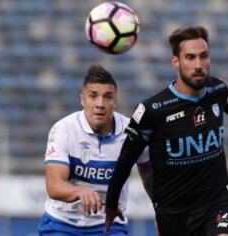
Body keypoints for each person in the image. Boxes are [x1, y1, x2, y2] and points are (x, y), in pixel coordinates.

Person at [105, 26, 228, 236]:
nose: (198, 65)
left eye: (204, 56)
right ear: (176, 62)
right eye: (190, 58)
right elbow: (125, 160)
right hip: (174, 212)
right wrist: (111, 203)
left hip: (217, 201)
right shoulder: (152, 110)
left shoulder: (217, 89)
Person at [37, 64, 151, 236]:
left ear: (115, 101)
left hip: (109, 224)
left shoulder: (132, 132)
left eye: (107, 97)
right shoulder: (64, 129)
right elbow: (54, 185)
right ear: (82, 99)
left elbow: (150, 174)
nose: (100, 104)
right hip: (62, 223)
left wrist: (162, 211)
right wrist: (79, 191)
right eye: (93, 96)